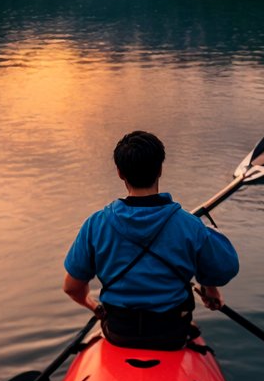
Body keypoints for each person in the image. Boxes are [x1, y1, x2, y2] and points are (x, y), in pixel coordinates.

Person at [62, 130, 239, 349]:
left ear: (119, 173)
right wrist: (210, 288)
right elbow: (224, 268)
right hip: (171, 333)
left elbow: (72, 287)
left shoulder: (96, 224)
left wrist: (96, 308)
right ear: (160, 169)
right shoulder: (189, 225)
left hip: (119, 332)